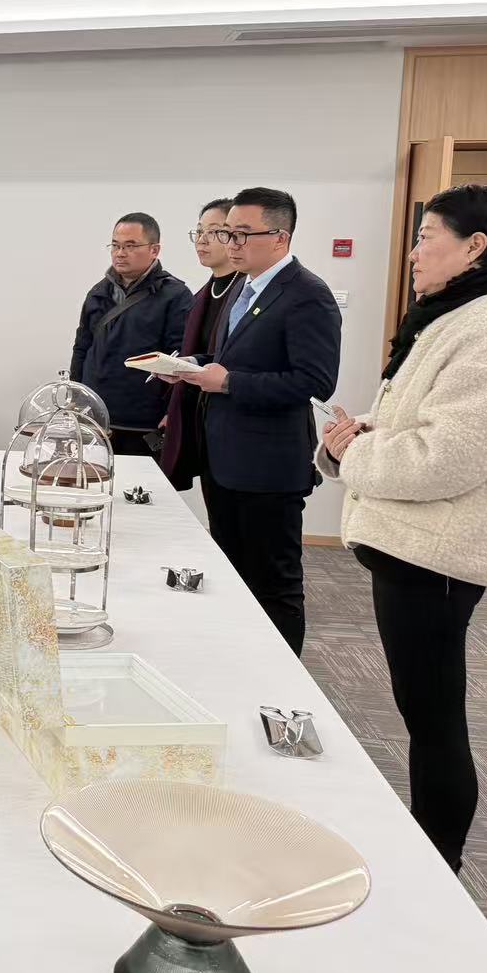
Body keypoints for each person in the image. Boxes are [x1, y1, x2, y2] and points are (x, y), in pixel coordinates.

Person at [319, 185, 487, 872]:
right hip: (416, 548)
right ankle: (430, 851)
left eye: (426, 237)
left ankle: (437, 864)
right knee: (423, 709)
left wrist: (353, 454)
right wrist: (363, 433)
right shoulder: (463, 316)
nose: (414, 252)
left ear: (474, 246)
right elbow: (429, 424)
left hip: (440, 555)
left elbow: (445, 459)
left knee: (433, 717)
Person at [165, 187, 341, 656]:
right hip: (224, 459)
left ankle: (282, 677)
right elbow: (232, 358)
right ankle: (238, 663)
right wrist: (189, 367)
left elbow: (315, 381)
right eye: (228, 233)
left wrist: (228, 383)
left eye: (243, 234)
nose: (231, 243)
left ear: (280, 237)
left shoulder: (307, 294)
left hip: (268, 468)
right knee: (232, 573)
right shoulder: (242, 288)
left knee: (273, 583)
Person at [69, 213, 192, 456]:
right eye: (115, 245)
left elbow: (181, 358)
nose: (120, 253)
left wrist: (173, 411)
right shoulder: (98, 292)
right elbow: (82, 348)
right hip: (96, 417)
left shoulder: (175, 295)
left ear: (154, 250)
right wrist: (76, 397)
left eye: (130, 246)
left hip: (144, 421)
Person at [160, 198, 238, 490]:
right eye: (199, 231)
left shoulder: (247, 293)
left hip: (234, 422)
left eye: (214, 231)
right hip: (203, 422)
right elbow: (202, 354)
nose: (202, 240)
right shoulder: (202, 295)